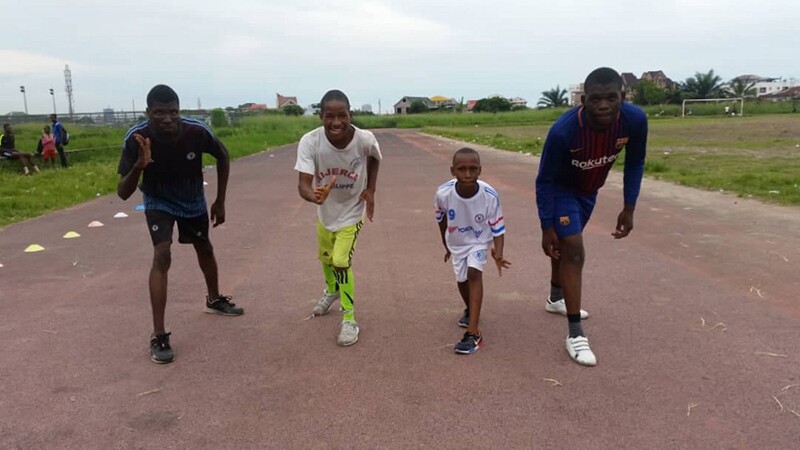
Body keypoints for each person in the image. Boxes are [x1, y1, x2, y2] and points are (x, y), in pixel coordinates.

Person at [117, 84, 242, 364]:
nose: (167, 119)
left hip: (191, 198)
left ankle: (214, 299)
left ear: (179, 111)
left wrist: (220, 200)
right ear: (148, 113)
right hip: (157, 200)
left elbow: (222, 155)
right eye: (159, 113)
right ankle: (159, 334)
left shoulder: (196, 131)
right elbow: (123, 193)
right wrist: (139, 165)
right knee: (162, 254)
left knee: (204, 247)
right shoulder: (136, 138)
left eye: (173, 112)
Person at [535, 67, 647, 366]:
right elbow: (544, 180)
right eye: (596, 99)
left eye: (612, 98)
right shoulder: (564, 130)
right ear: (584, 100)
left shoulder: (635, 120)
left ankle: (555, 298)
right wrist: (546, 226)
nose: (603, 106)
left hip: (589, 192)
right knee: (573, 250)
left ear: (623, 97)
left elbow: (635, 163)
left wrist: (629, 206)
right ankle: (575, 335)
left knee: (566, 248)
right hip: (561, 190)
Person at [294, 89, 382, 347]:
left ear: (350, 115)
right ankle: (331, 289)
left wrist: (371, 190)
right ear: (320, 116)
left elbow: (375, 158)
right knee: (326, 258)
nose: (336, 122)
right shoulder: (310, 142)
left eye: (342, 116)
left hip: (352, 210)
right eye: (329, 116)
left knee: (341, 260)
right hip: (326, 210)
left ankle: (349, 319)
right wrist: (314, 196)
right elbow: (303, 185)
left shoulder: (364, 139)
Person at [435, 148, 510, 354]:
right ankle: (471, 310)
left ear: (480, 170)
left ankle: (473, 333)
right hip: (457, 242)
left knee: (474, 273)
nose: (467, 174)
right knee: (462, 281)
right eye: (462, 169)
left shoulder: (489, 195)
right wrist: (445, 244)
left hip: (479, 240)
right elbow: (441, 219)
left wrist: (499, 252)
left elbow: (498, 228)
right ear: (452, 171)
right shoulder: (443, 193)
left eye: (472, 169)